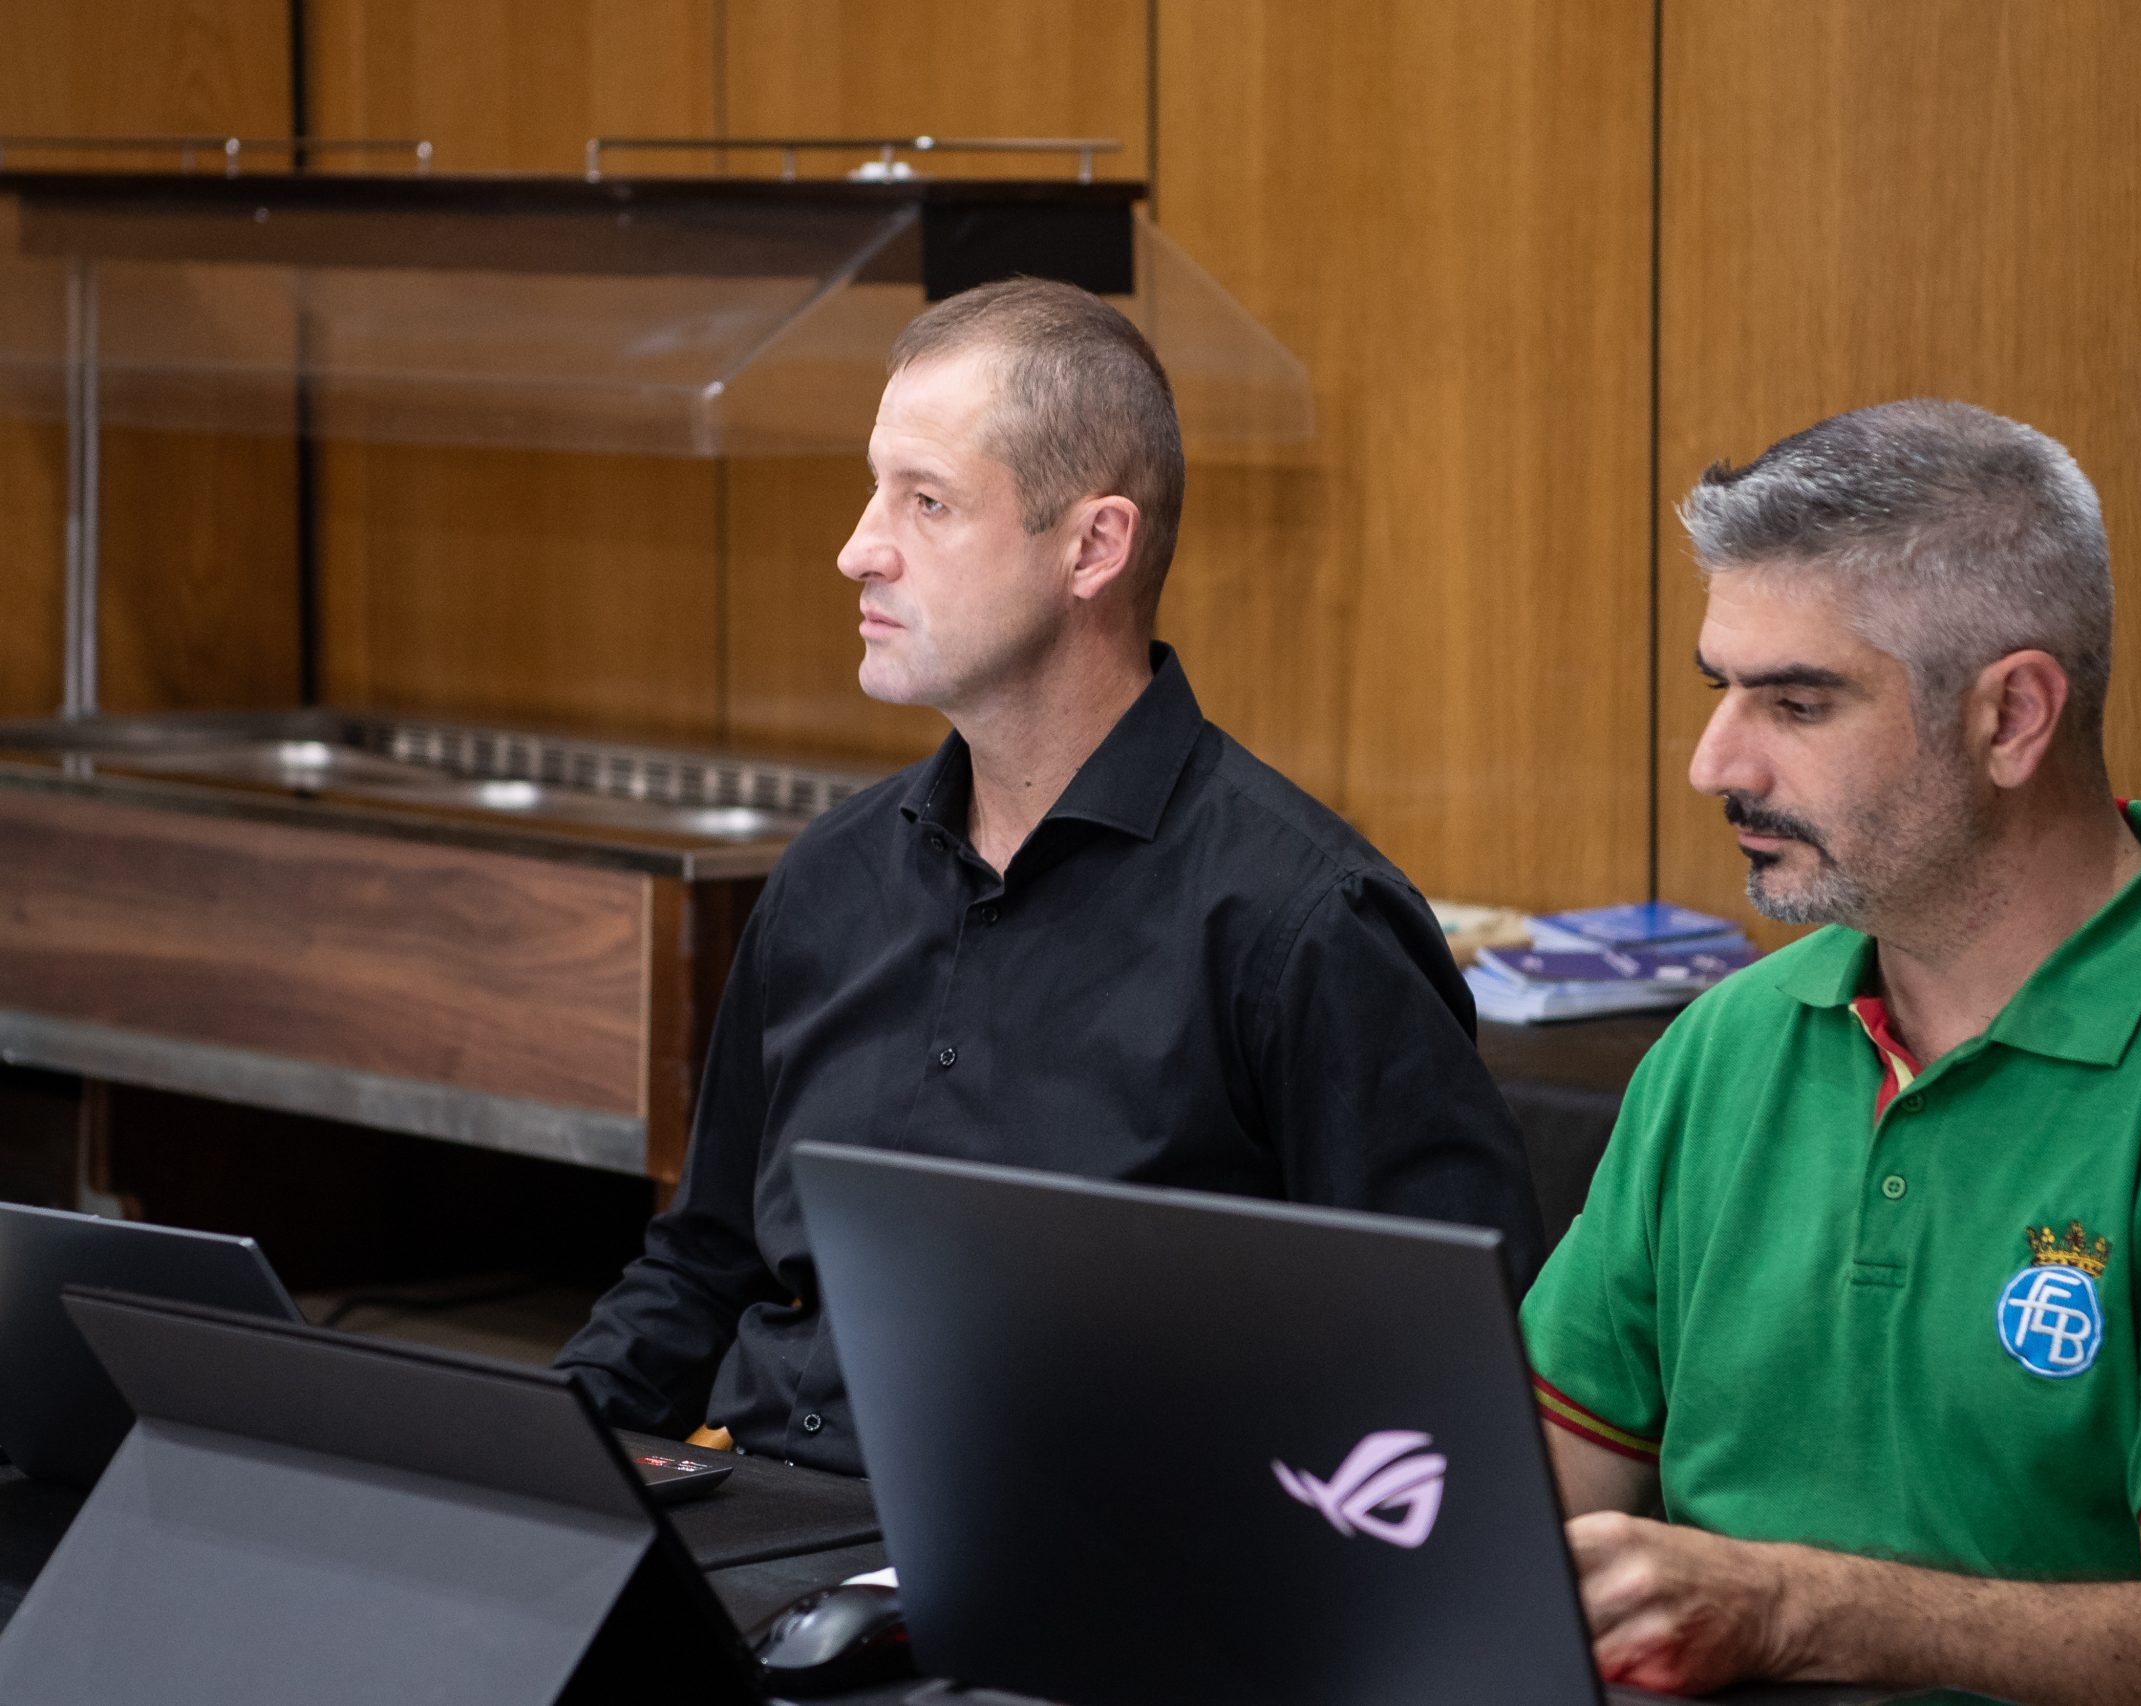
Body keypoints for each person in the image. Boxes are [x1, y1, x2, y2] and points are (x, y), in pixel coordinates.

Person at [1522, 401, 2141, 1705]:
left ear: (2013, 715)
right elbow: (1525, 1496)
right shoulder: (1726, 1043)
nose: (1714, 761)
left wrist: (1786, 1607)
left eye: (1797, 701)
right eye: (1719, 688)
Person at [558, 279, 1541, 1474]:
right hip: (759, 1512)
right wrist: (525, 1458)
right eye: (875, 490)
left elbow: (1440, 1376)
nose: (858, 549)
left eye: (926, 501)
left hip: (1086, 1551)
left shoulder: (1306, 923)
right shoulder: (828, 875)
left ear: (1093, 546)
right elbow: (703, 1260)